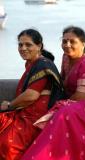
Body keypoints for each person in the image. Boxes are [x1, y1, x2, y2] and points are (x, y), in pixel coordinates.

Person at [21, 26, 85, 160]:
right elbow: (62, 82)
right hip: (80, 103)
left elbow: (80, 97)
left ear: (83, 44)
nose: (67, 45)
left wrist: (60, 103)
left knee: (64, 112)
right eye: (64, 41)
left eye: (72, 42)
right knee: (60, 109)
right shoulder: (66, 58)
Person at [0, 28, 65, 160]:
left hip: (36, 118)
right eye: (20, 44)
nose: (23, 48)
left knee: (7, 144)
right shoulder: (32, 64)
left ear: (39, 46)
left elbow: (31, 96)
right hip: (26, 113)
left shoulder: (42, 64)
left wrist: (9, 105)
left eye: (28, 44)